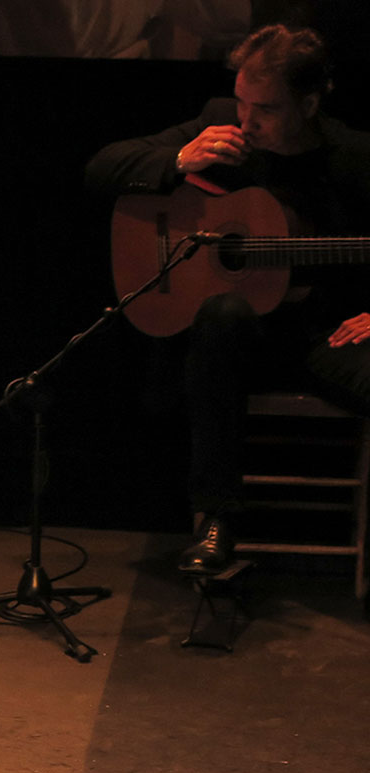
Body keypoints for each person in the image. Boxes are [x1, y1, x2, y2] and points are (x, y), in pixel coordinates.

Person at [85, 24, 370, 574]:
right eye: (241, 102)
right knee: (221, 313)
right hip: (236, 342)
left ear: (309, 104)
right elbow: (101, 167)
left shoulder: (354, 156)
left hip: (324, 335)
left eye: (265, 109)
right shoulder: (219, 127)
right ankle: (214, 520)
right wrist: (180, 158)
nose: (246, 120)